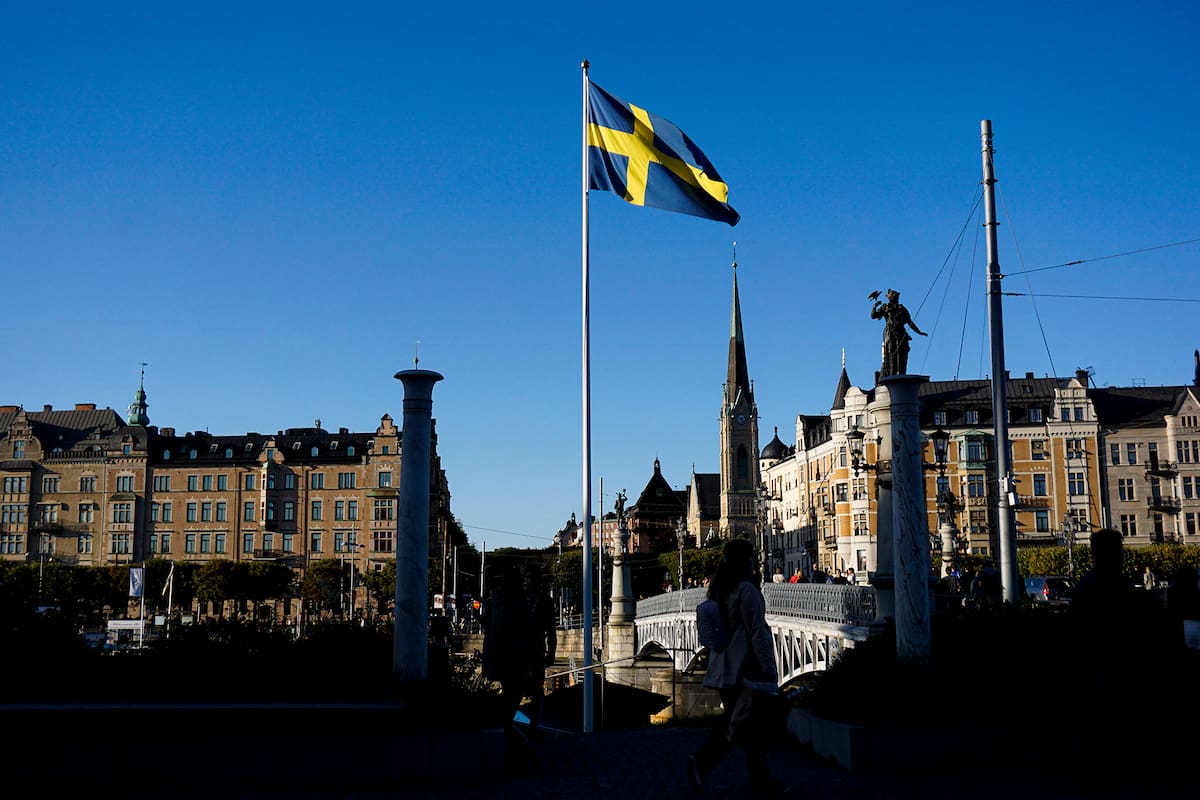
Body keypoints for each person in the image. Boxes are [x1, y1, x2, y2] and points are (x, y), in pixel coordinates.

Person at [687, 538, 787, 796]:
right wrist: (767, 667)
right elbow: (756, 632)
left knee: (746, 728)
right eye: (751, 558)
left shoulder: (721, 590)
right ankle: (702, 762)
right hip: (745, 670)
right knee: (739, 728)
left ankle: (760, 783)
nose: (754, 563)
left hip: (724, 670)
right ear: (746, 561)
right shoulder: (747, 590)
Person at [481, 563, 535, 727]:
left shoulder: (496, 600)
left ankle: (508, 725)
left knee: (508, 691)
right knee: (514, 694)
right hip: (514, 655)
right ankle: (511, 726)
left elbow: (484, 622)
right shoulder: (519, 602)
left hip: (496, 653)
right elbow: (525, 630)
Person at [870, 288, 927, 377]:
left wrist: (919, 332)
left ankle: (901, 373)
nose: (894, 297)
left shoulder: (902, 309)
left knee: (902, 352)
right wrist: (874, 306)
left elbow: (910, 322)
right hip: (890, 333)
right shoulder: (885, 307)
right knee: (891, 351)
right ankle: (891, 374)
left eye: (895, 296)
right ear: (889, 297)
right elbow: (874, 316)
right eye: (892, 295)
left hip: (901, 333)